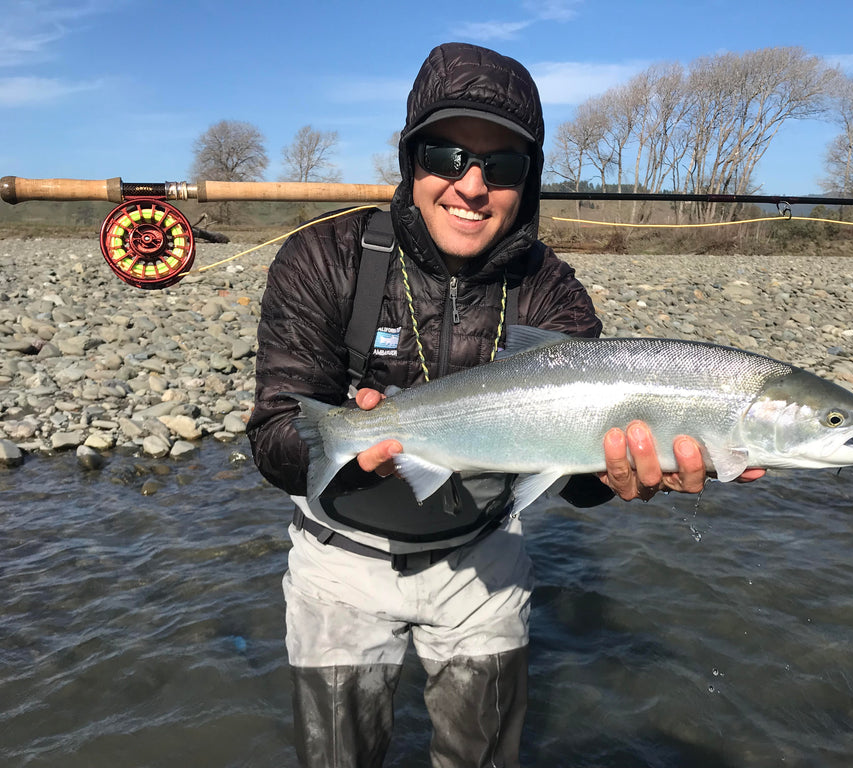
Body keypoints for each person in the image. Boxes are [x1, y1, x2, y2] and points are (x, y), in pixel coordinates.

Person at [248, 41, 762, 768]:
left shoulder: (551, 291)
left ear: (530, 180)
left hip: (482, 560)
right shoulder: (322, 258)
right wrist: (350, 447)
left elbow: (577, 476)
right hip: (340, 564)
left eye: (504, 165)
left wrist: (626, 477)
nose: (472, 184)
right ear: (411, 162)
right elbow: (273, 438)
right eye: (447, 156)